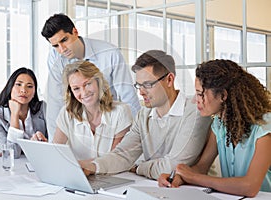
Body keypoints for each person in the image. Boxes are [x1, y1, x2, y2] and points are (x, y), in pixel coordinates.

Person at [79, 50, 212, 180]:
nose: (141, 92)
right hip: (156, 187)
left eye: (148, 85)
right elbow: (123, 155)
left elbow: (174, 166)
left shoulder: (195, 112)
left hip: (190, 190)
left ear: (169, 80)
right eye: (139, 85)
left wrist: (138, 168)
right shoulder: (144, 115)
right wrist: (92, 166)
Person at [158, 59, 271, 197]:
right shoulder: (219, 125)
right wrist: (178, 178)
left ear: (223, 95)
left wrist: (193, 177)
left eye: (200, 94)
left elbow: (250, 187)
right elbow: (201, 167)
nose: (195, 100)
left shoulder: (265, 127)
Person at [41, 13, 140, 141]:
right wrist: (54, 146)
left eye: (64, 40)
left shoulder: (109, 53)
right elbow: (55, 101)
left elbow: (128, 96)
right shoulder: (55, 58)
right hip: (79, 126)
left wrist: (134, 139)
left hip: (110, 123)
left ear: (75, 32)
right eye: (55, 46)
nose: (62, 49)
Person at [37, 60, 132, 160]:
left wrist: (85, 166)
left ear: (98, 82)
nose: (84, 92)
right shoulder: (66, 113)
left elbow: (115, 159)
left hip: (111, 175)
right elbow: (56, 154)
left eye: (87, 84)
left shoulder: (120, 112)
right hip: (77, 174)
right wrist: (42, 147)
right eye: (76, 88)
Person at [0, 68, 48, 158]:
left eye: (29, 86)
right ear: (10, 87)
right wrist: (14, 115)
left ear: (34, 92)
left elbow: (54, 145)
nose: (23, 90)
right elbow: (13, 154)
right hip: (14, 167)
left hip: (40, 161)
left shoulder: (43, 108)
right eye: (19, 84)